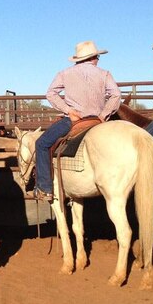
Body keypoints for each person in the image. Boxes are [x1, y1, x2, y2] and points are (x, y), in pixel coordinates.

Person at [35, 40, 121, 201]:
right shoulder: (104, 74)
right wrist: (103, 115)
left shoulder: (65, 73)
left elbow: (51, 93)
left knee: (42, 144)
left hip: (75, 120)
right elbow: (116, 95)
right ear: (94, 57)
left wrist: (68, 110)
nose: (98, 60)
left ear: (78, 59)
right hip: (97, 120)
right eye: (98, 57)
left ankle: (45, 188)